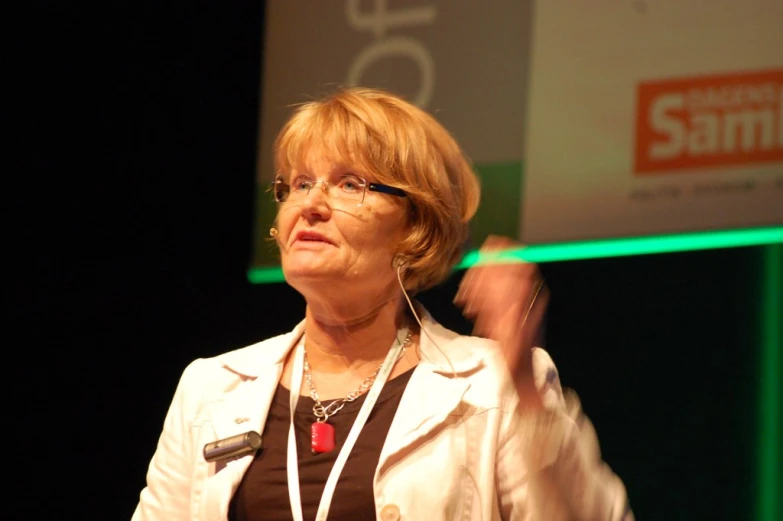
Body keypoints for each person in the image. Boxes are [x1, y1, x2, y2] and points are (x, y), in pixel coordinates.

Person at [132, 86, 633, 521]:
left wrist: (525, 392)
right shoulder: (211, 388)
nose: (310, 204)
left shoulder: (494, 384)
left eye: (350, 184)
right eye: (300, 183)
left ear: (415, 226)